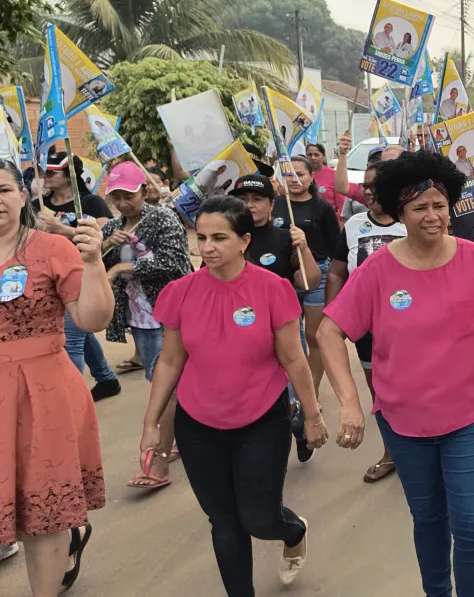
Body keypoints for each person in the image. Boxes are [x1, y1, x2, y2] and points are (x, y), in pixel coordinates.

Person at [317, 151, 474, 597]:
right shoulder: (378, 269)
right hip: (403, 423)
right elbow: (329, 331)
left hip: (471, 416)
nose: (432, 216)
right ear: (400, 212)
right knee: (429, 518)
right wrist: (350, 403)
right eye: (419, 208)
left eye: (439, 205)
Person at [141, 195, 363, 595]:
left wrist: (312, 416)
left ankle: (293, 531)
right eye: (202, 238)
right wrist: (151, 423)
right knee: (224, 522)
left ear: (244, 241)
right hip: (198, 425)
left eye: (219, 238)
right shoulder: (180, 292)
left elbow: (293, 358)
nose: (207, 247)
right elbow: (171, 362)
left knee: (260, 518)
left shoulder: (272, 289)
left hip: (261, 420)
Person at [0, 159, 111, 597]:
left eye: (2, 191)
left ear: (23, 195)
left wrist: (94, 262)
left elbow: (91, 319)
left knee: (42, 516)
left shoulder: (51, 248)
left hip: (41, 392)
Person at [99, 162, 193, 491]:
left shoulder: (163, 218)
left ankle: (160, 458)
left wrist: (124, 266)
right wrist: (107, 245)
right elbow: (94, 262)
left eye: (129, 196)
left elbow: (174, 262)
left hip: (170, 312)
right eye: (116, 198)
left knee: (165, 384)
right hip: (139, 317)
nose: (123, 203)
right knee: (161, 381)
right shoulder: (113, 227)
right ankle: (178, 436)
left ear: (144, 191)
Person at [325, 162, 407, 484]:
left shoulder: (411, 223)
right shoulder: (354, 225)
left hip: (411, 329)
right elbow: (336, 272)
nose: (368, 192)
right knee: (381, 395)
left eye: (376, 185)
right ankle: (392, 453)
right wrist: (333, 317)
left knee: (416, 389)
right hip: (369, 332)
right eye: (366, 186)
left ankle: (426, 451)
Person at [32, 152, 120, 400]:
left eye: (52, 172)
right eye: (44, 172)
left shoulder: (92, 203)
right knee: (81, 330)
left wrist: (62, 229)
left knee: (70, 340)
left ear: (69, 174)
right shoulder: (37, 205)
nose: (45, 176)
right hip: (46, 277)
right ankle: (107, 379)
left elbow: (104, 240)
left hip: (80, 276)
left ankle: (70, 399)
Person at [274, 156, 341, 419]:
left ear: (312, 176)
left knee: (314, 337)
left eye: (300, 174)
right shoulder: (276, 205)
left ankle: (310, 393)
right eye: (288, 174)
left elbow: (336, 247)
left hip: (318, 276)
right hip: (284, 277)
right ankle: (291, 392)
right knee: (289, 339)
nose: (294, 179)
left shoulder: (322, 208)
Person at [305, 143, 346, 222]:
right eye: (309, 155)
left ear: (323, 156)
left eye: (316, 155)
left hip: (329, 219)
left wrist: (342, 222)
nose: (313, 158)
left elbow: (341, 203)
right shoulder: (301, 175)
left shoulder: (334, 175)